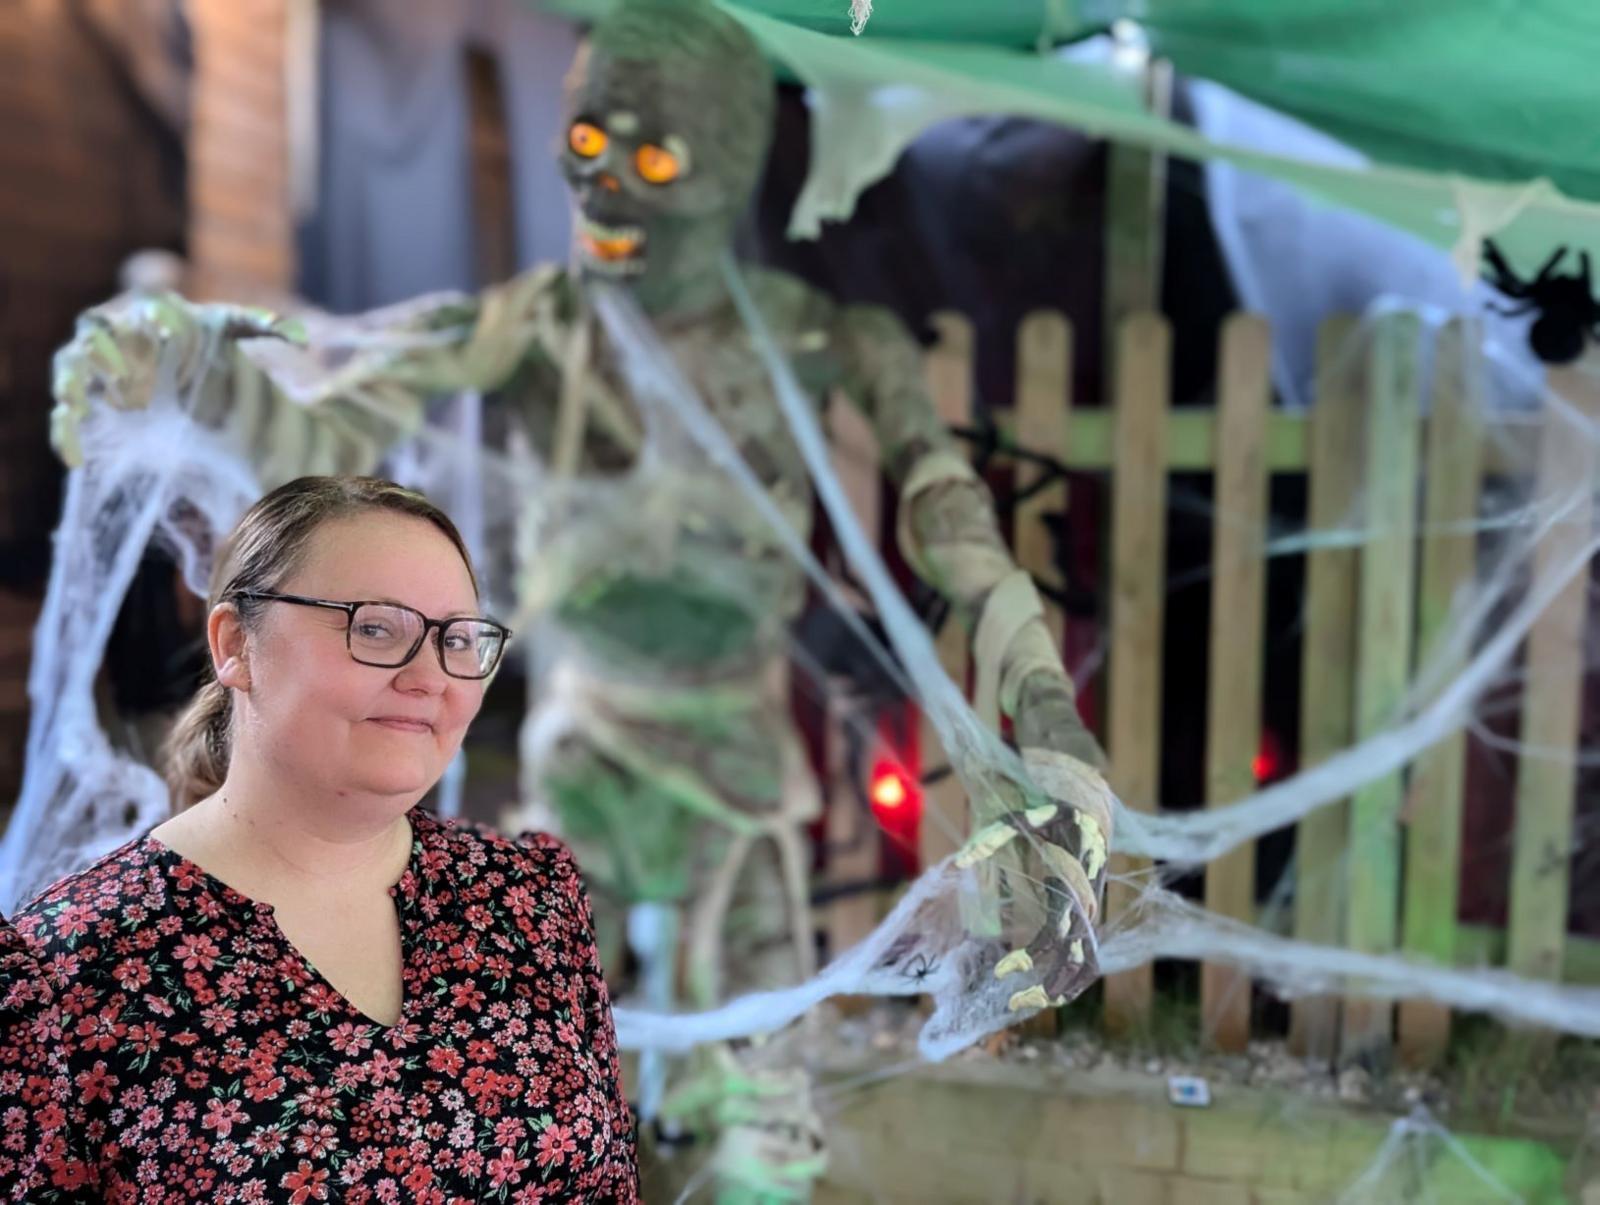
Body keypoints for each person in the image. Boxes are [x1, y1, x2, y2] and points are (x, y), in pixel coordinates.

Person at [0, 475, 639, 1202]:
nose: (430, 675)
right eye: (375, 627)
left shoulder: (530, 895)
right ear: (235, 644)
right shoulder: (65, 975)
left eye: (458, 638)